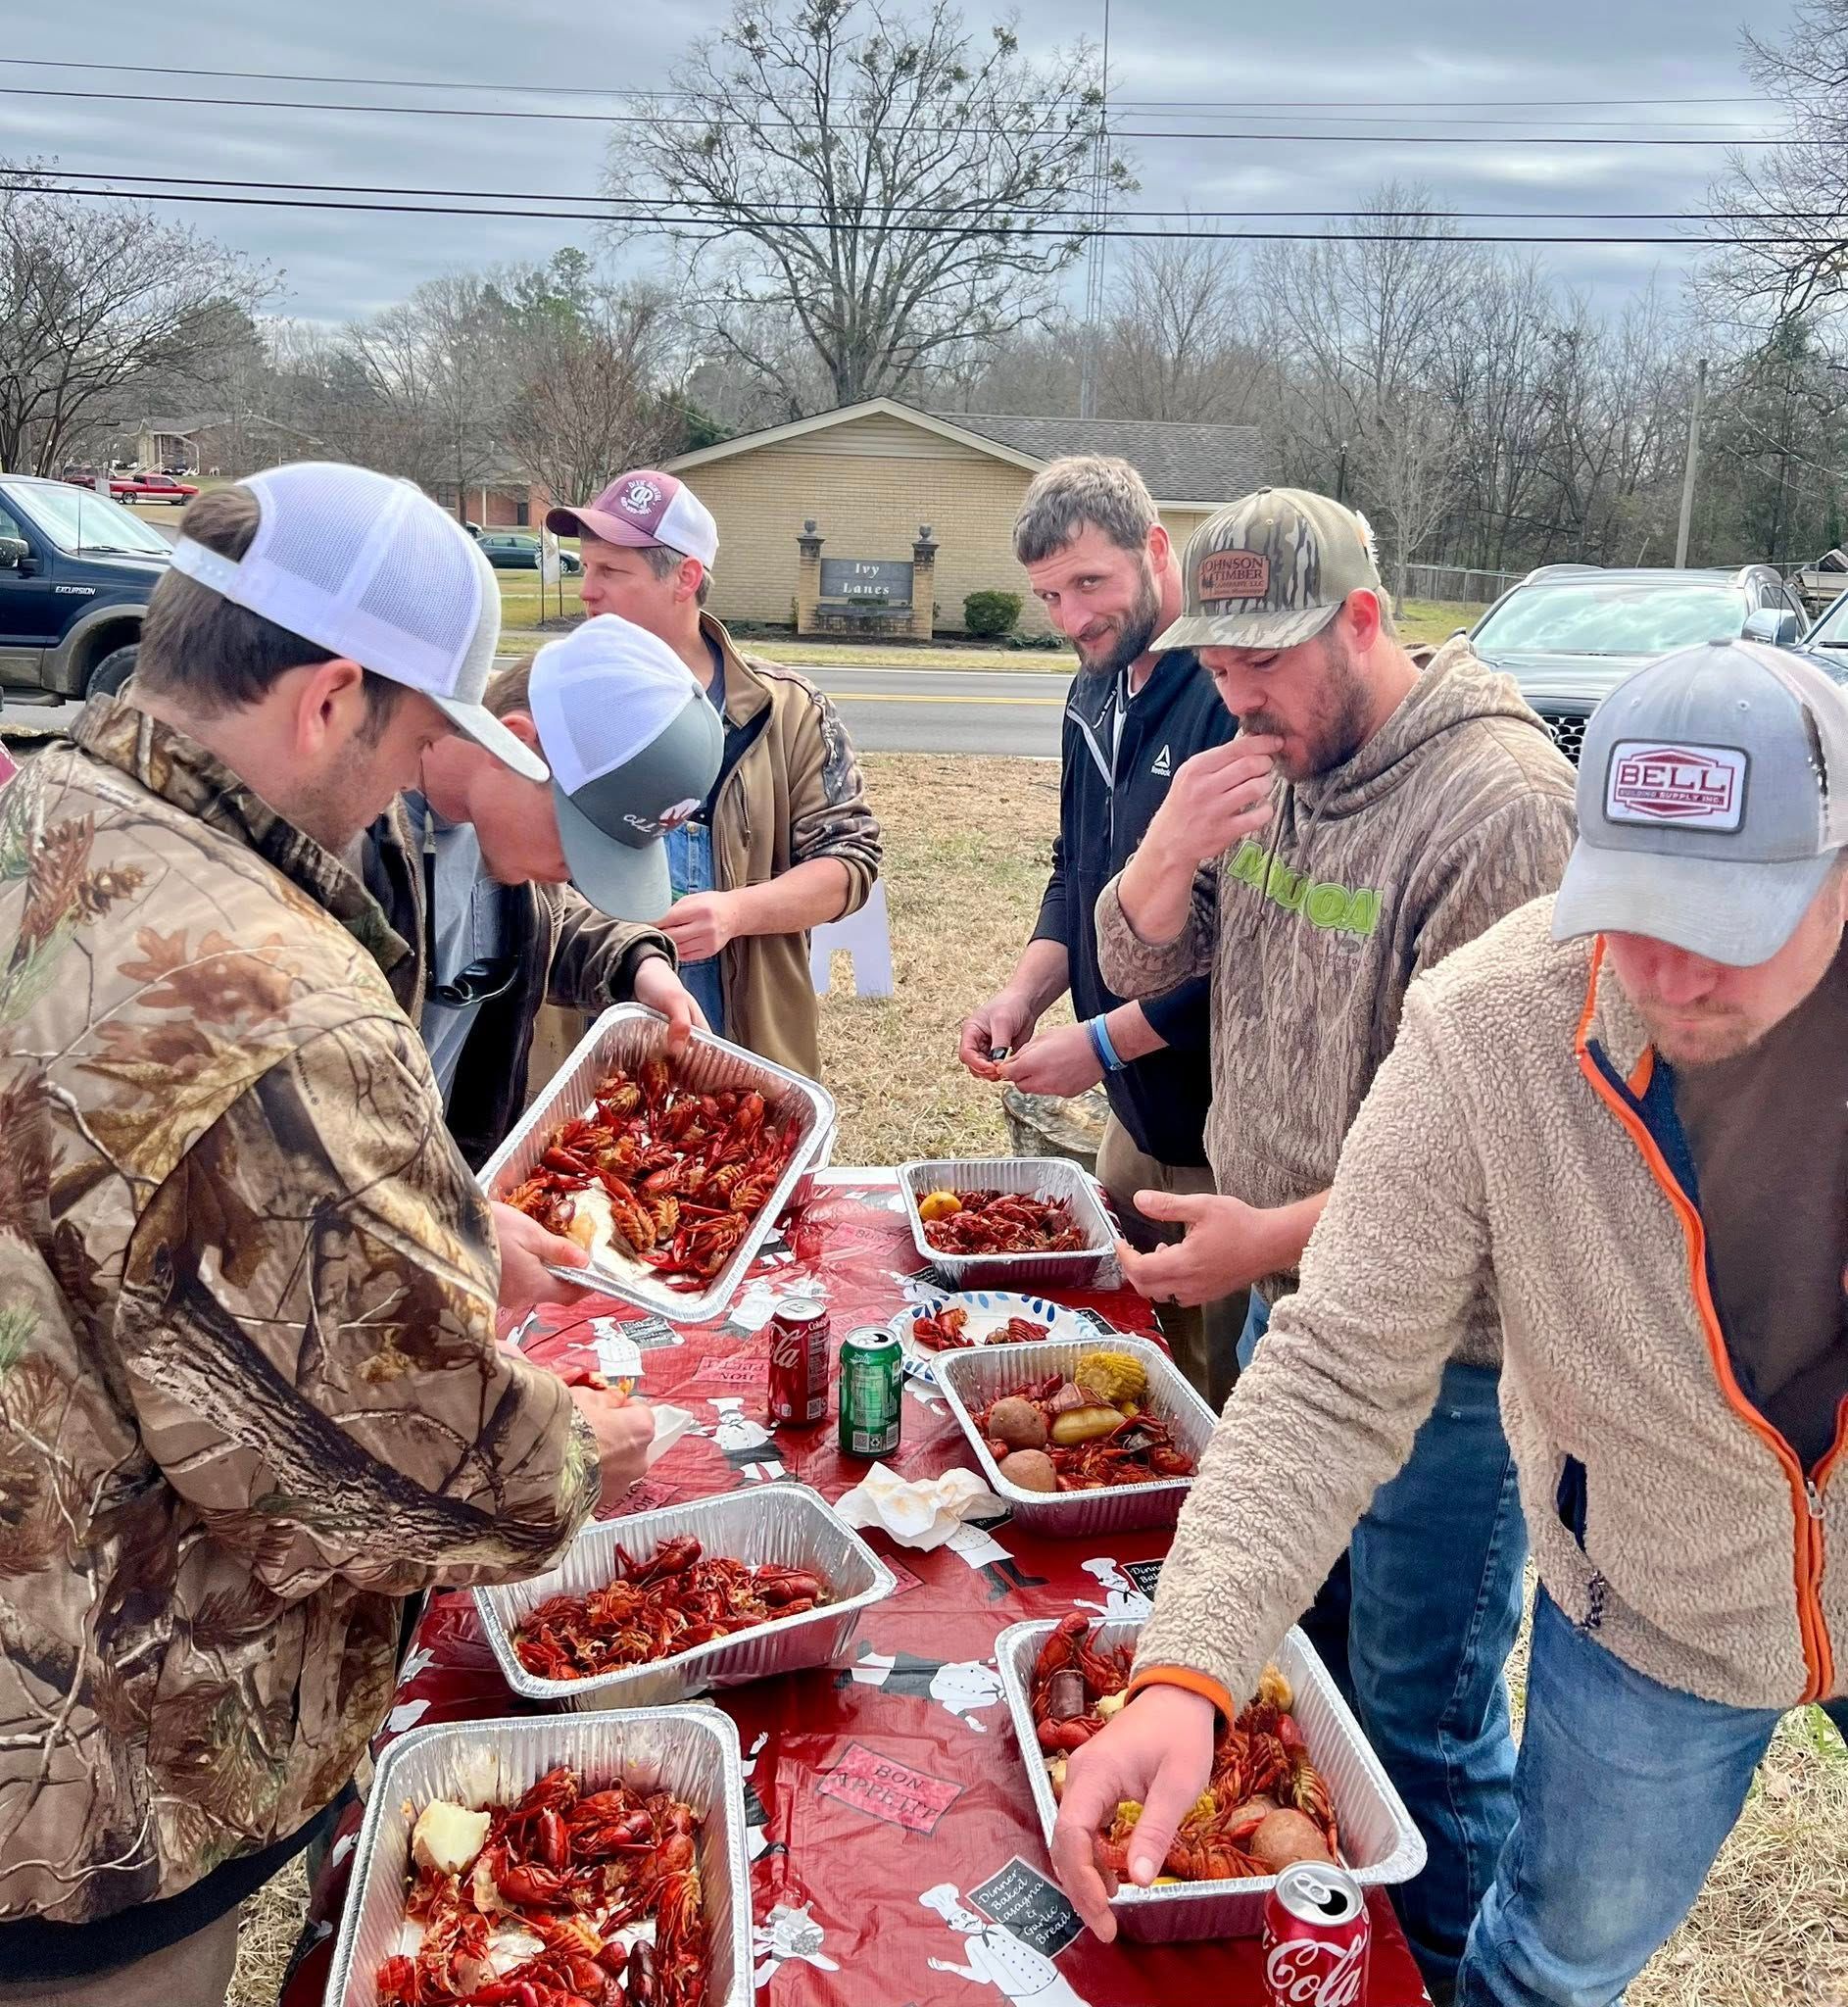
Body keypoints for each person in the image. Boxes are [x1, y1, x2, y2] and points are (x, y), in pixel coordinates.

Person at [1054, 638, 1848, 2007]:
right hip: (1651, 1601)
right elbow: (1331, 1368)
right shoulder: (1490, 1024)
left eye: (1728, 921)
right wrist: (1185, 1668)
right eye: (1630, 905)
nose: (1668, 971)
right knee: (1549, 1959)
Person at [0, 465, 650, 2001]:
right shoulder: (273, 992)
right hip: (92, 1767)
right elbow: (411, 1459)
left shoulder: (48, 808)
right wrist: (581, 1452)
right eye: (418, 737)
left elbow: (135, 1230)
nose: (414, 778)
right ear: (328, 699)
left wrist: (435, 1225)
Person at [1093, 488, 1576, 1990]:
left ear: (1362, 621)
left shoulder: (1500, 810)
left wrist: (1266, 1238)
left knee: (1417, 1721)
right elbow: (1156, 961)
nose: (1234, 697)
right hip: (1289, 1305)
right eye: (1218, 665)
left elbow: (1505, 1157)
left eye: (1266, 663)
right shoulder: (1275, 763)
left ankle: (1428, 1967)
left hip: (1445, 1359)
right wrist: (1158, 861)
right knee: (1297, 1669)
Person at [956, 456, 1243, 1406]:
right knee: (1133, 1382)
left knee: (1233, 1403)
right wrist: (1024, 993)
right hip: (1132, 1118)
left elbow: (1253, 957)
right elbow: (1071, 870)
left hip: (1233, 1134)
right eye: (1048, 595)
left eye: (1090, 583)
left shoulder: (1227, 694)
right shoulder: (1092, 687)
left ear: (1155, 549)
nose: (1072, 616)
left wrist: (1098, 1040)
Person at [546, 469, 881, 1078]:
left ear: (686, 577)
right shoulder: (548, 699)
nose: (587, 593)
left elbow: (851, 864)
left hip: (745, 1042)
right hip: (585, 1041)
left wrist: (733, 914)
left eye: (611, 572)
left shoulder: (788, 710)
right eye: (585, 568)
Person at [365, 613, 721, 1170]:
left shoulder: (505, 840)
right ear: (515, 745)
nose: (572, 872)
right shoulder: (355, 843)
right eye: (577, 842)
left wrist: (638, 967)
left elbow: (544, 919)